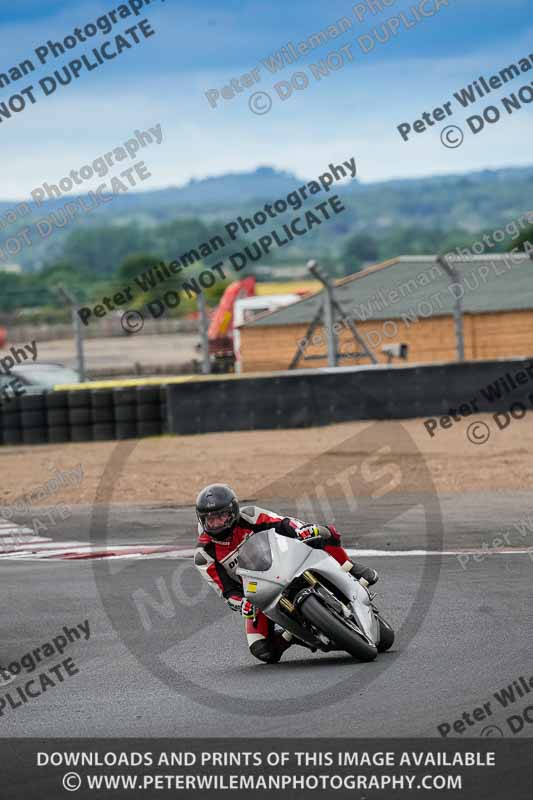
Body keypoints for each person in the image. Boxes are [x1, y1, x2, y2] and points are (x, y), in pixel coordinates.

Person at [193, 483, 378, 664]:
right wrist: (242, 603)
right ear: (202, 520)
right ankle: (293, 635)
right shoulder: (204, 555)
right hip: (259, 592)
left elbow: (283, 523)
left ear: (233, 512)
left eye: (221, 516)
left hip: (286, 561)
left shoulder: (249, 516)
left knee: (321, 532)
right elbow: (226, 591)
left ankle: (350, 567)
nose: (216, 523)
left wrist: (301, 530)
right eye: (210, 519)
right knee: (262, 650)